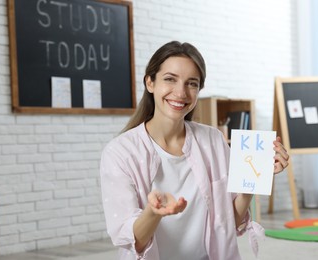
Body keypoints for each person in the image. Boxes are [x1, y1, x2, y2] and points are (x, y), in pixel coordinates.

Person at [100, 41, 289, 260]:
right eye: (170, 79)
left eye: (192, 83)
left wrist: (252, 178)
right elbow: (135, 242)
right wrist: (154, 212)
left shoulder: (214, 141)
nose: (181, 92)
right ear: (150, 82)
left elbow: (232, 223)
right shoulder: (120, 152)